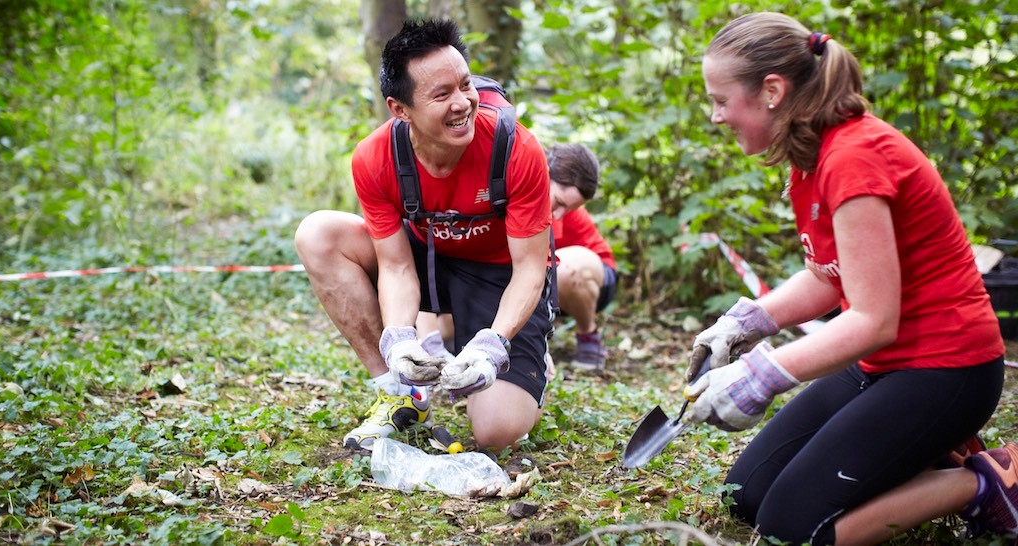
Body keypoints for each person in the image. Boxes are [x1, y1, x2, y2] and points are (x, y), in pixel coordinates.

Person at [682, 12, 1015, 545]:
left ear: (772, 90)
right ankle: (921, 451)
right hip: (881, 367)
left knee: (793, 528)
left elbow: (873, 320)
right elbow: (829, 276)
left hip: (946, 369)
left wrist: (763, 375)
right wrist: (748, 322)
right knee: (745, 496)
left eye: (721, 100)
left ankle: (982, 483)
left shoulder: (854, 156)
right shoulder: (811, 157)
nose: (716, 116)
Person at [294, 18, 555, 452]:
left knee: (497, 431)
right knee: (319, 232)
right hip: (427, 259)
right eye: (441, 95)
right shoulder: (374, 157)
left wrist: (494, 343)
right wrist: (398, 338)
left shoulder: (515, 148)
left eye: (465, 85)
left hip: (499, 272)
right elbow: (395, 265)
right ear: (400, 109)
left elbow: (531, 266)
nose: (463, 104)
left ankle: (528, 356)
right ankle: (401, 397)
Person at [418, 143, 618, 372]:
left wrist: (537, 342)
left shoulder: (549, 215)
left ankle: (588, 335)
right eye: (560, 203)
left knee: (562, 271)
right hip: (530, 274)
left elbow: (535, 273)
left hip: (584, 274)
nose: (560, 214)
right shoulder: (509, 189)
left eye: (569, 209)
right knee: (448, 325)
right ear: (540, 175)